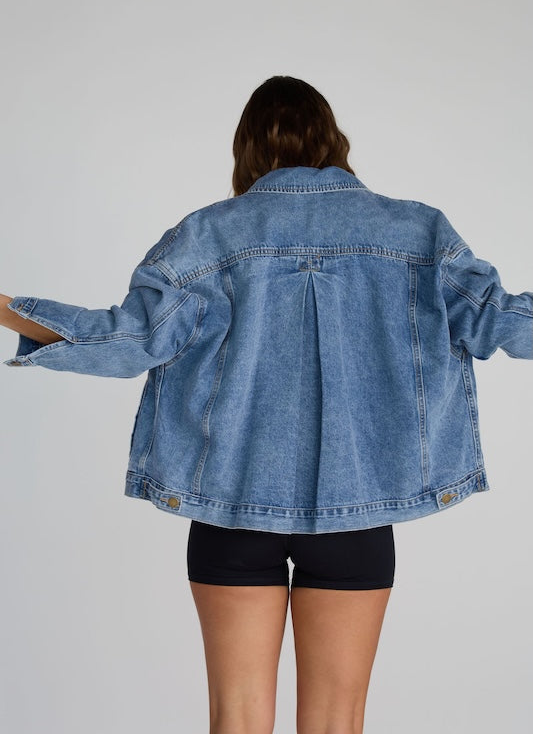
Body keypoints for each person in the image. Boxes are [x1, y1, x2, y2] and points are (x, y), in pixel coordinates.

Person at [2, 75, 532, 734]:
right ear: (333, 140)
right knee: (337, 723)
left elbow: (129, 338)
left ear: (247, 149)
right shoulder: (416, 233)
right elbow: (502, 320)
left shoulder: (206, 236)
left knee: (236, 721)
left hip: (230, 507)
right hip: (357, 514)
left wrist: (7, 309)